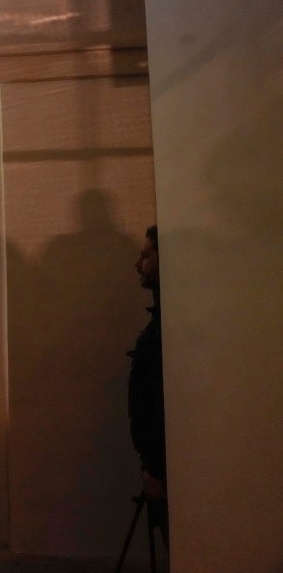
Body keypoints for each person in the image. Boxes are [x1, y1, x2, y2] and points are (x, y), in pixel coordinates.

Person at [128, 225, 168, 547]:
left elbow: (158, 400)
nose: (138, 264)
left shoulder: (167, 327)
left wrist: (154, 465)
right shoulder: (161, 323)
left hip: (165, 466)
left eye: (145, 255)